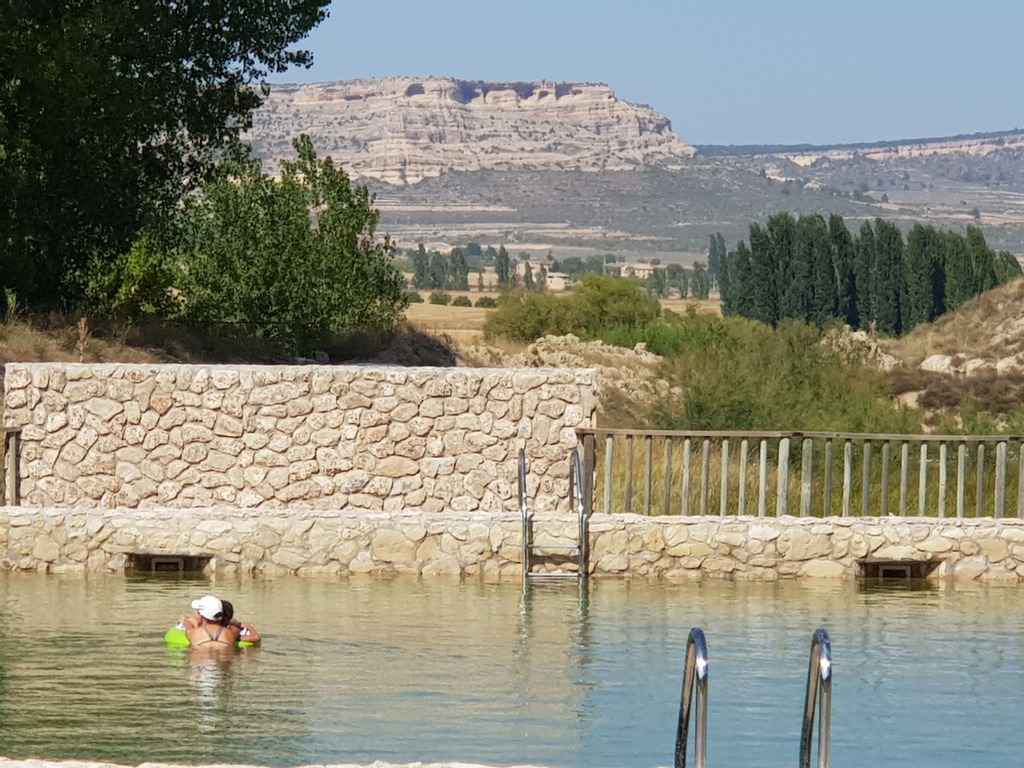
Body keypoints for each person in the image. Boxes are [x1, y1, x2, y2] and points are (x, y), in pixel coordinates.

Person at [180, 595, 261, 649]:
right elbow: (256, 637)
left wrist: (186, 619)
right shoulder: (231, 633)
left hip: (201, 660)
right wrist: (242, 625)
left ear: (201, 615)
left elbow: (187, 623)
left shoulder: (192, 633)